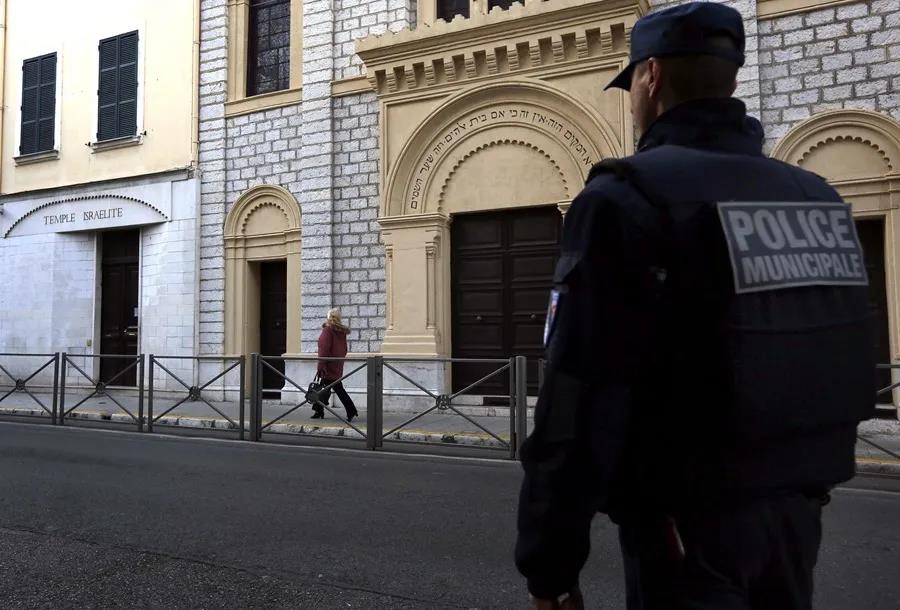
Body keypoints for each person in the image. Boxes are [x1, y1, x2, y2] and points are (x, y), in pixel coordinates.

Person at [515, 3, 875, 610]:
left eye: (630, 83)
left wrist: (549, 565)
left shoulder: (627, 196)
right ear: (730, 77)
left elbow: (579, 393)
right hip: (798, 517)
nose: (631, 99)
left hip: (686, 529)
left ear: (650, 76)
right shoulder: (813, 195)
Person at [314, 308, 359, 422]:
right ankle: (318, 410)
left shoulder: (328, 330)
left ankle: (351, 410)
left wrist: (320, 366)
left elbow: (323, 350)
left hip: (327, 366)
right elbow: (344, 349)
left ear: (328, 317)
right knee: (326, 387)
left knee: (332, 388)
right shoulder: (341, 332)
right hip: (337, 364)